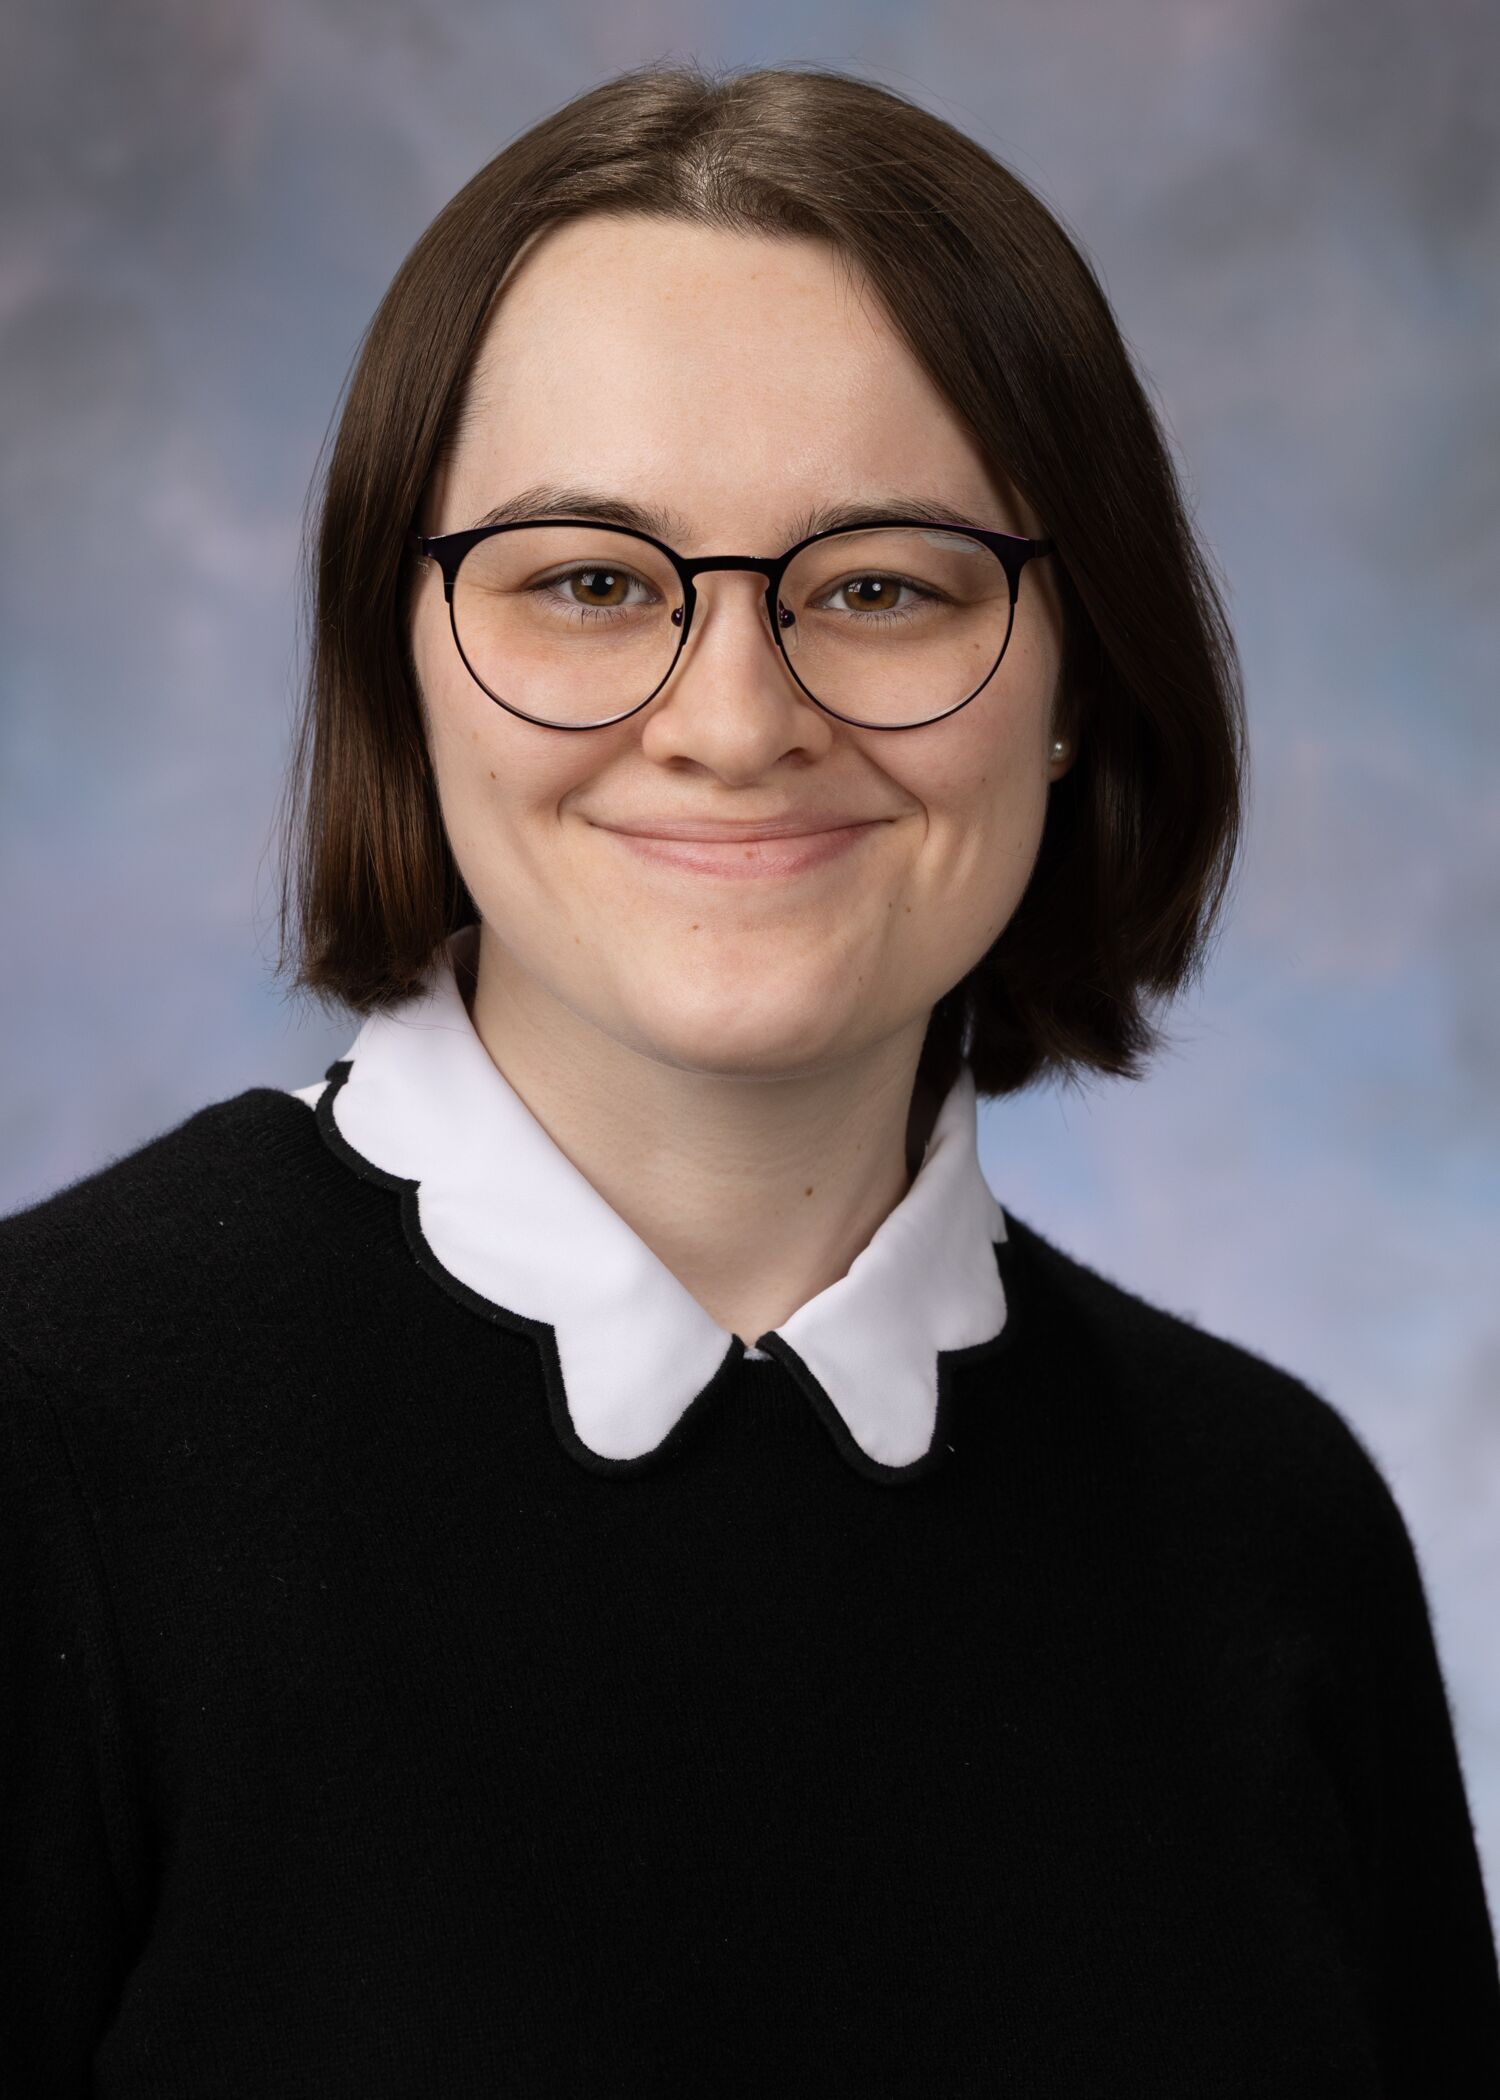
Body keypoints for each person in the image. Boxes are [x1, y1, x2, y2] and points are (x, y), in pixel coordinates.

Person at [3, 59, 1497, 2097]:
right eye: (590, 580)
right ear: (402, 656)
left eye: (882, 584)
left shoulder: (1277, 1528)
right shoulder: (43, 1445)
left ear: (1075, 682)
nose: (733, 717)